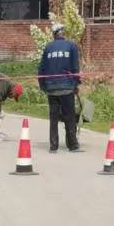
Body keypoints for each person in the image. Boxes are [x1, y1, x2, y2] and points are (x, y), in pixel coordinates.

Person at [37, 22, 80, 153]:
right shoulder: (71, 46)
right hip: (67, 87)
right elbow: (75, 68)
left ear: (54, 34)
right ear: (63, 33)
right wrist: (76, 84)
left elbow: (41, 69)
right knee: (69, 116)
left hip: (51, 88)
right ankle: (72, 145)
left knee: (54, 118)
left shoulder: (48, 47)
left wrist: (43, 86)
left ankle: (53, 146)